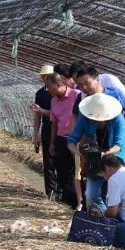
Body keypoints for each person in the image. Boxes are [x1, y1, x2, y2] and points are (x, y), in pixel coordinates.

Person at [70, 93, 125, 211]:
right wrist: (79, 153)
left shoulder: (117, 119)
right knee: (91, 196)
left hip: (114, 161)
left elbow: (118, 145)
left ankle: (112, 223)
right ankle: (104, 220)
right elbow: (71, 140)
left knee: (113, 197)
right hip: (94, 163)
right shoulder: (85, 118)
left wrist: (104, 154)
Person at [74, 65, 125, 144]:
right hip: (95, 142)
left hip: (116, 140)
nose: (84, 87)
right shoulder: (85, 103)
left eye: (87, 83)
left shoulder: (115, 94)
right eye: (80, 85)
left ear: (97, 79)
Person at [47, 72, 82, 208]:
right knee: (63, 170)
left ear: (57, 84)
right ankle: (68, 201)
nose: (48, 90)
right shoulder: (53, 101)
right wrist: (52, 142)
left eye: (49, 87)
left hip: (76, 140)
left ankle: (79, 202)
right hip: (61, 140)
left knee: (77, 171)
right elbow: (54, 123)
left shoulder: (76, 95)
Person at [30, 64, 58, 198]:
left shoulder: (60, 91)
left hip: (61, 130)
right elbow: (37, 116)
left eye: (45, 77)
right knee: (49, 162)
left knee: (62, 162)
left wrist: (41, 110)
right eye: (43, 77)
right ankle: (51, 192)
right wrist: (36, 134)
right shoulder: (40, 93)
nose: (44, 79)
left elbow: (58, 114)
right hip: (47, 129)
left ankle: (63, 191)